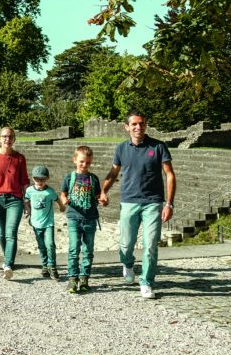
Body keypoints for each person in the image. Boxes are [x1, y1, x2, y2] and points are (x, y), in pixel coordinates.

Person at [99, 111, 176, 300]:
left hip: (153, 202)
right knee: (126, 245)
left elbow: (170, 174)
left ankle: (146, 282)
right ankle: (127, 264)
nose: (138, 127)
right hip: (129, 201)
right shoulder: (121, 149)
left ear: (146, 125)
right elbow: (113, 173)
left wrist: (169, 204)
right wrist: (103, 191)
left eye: (141, 123)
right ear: (127, 127)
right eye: (133, 124)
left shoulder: (158, 147)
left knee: (150, 245)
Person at [0, 126, 29, 280]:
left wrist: (26, 201)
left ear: (14, 139)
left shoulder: (20, 158)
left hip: (15, 200)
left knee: (11, 233)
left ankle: (8, 265)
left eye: (10, 136)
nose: (7, 139)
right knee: (1, 233)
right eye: (4, 136)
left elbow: (24, 182)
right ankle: (8, 259)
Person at [61, 146, 101, 294]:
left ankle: (84, 277)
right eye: (82, 162)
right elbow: (63, 194)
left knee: (88, 251)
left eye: (88, 163)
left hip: (90, 219)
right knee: (73, 249)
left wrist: (103, 199)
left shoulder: (93, 178)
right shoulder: (69, 177)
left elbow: (98, 196)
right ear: (75, 160)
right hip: (73, 218)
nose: (85, 165)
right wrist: (64, 199)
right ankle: (72, 278)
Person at [23, 165, 64, 280]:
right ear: (33, 179)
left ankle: (52, 266)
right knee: (41, 245)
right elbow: (26, 200)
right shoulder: (30, 190)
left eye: (43, 179)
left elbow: (57, 199)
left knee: (50, 244)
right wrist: (28, 210)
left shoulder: (49, 192)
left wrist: (61, 207)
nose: (40, 181)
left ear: (47, 178)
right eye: (37, 179)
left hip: (48, 223)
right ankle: (45, 265)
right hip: (36, 223)